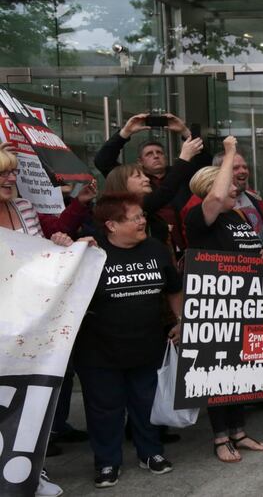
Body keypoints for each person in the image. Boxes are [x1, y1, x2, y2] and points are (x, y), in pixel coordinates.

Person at [73, 193, 181, 488]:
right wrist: (69, 247)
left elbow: (173, 288)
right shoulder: (90, 254)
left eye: (142, 216)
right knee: (104, 408)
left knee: (146, 404)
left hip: (147, 345)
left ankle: (151, 453)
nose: (143, 221)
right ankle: (107, 462)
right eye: (135, 218)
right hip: (99, 350)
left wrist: (180, 320)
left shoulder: (156, 250)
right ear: (111, 225)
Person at [0, 146, 82, 497]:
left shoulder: (24, 208)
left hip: (32, 321)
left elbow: (45, 251)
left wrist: (62, 243)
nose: (11, 178)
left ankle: (32, 472)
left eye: (13, 171)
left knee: (32, 394)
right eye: (3, 172)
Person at [184, 135, 263, 461]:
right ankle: (221, 439)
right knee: (217, 374)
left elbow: (248, 250)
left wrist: (261, 253)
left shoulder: (235, 216)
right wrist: (230, 151)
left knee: (238, 372)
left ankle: (239, 431)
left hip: (241, 303)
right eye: (229, 186)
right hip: (214, 307)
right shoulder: (199, 218)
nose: (236, 189)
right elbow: (219, 193)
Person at [95, 112, 204, 253]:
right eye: (149, 154)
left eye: (159, 152)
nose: (156, 156)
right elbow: (102, 161)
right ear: (140, 162)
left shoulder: (181, 174)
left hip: (187, 246)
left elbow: (204, 163)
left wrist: (184, 131)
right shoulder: (135, 198)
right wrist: (125, 133)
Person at [180, 149, 263, 249]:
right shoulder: (199, 204)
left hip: (257, 263)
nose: (243, 171)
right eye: (235, 168)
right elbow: (193, 242)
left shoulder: (252, 197)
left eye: (245, 167)